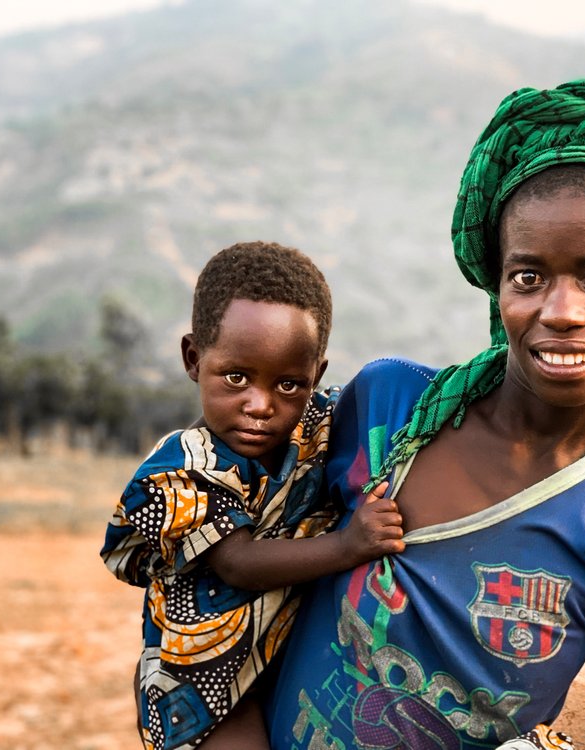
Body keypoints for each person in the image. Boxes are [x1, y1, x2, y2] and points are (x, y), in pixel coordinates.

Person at [263, 79, 585, 749]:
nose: (562, 312)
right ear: (498, 282)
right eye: (529, 277)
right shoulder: (388, 409)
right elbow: (236, 548)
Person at [100, 241, 405, 750]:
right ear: (194, 358)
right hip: (203, 689)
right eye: (236, 378)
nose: (261, 406)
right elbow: (238, 563)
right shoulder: (177, 474)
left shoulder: (315, 426)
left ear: (316, 377)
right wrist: (350, 546)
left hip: (287, 653)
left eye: (289, 384)